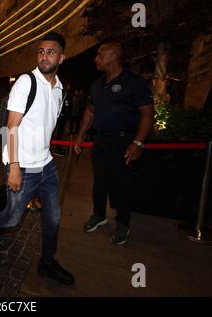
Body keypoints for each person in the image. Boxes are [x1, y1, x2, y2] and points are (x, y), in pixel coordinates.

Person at [0, 32, 75, 285]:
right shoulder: (26, 83)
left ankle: (47, 263)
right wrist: (14, 167)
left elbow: (46, 126)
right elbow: (12, 126)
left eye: (50, 52)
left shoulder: (60, 89)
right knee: (14, 217)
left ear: (62, 56)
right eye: (40, 51)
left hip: (46, 164)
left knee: (54, 216)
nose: (44, 56)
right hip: (22, 164)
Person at [74, 42, 154, 245]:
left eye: (100, 55)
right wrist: (80, 136)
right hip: (101, 140)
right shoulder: (96, 84)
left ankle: (123, 223)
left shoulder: (135, 83)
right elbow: (90, 111)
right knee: (99, 181)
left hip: (124, 140)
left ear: (113, 57)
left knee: (122, 184)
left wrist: (138, 142)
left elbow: (147, 114)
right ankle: (99, 214)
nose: (96, 59)